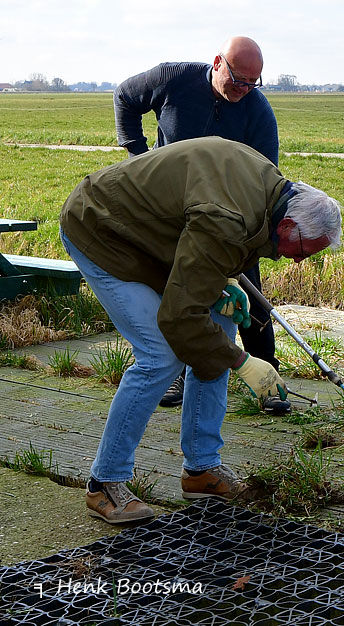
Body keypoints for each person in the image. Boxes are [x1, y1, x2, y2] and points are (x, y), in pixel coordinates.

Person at [59, 136, 342, 524]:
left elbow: (206, 230)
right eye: (304, 250)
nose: (297, 261)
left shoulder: (273, 190)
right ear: (289, 223)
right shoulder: (228, 218)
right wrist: (244, 363)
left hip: (154, 236)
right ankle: (104, 482)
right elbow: (179, 318)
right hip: (103, 231)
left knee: (220, 327)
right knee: (161, 356)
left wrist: (227, 278)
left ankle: (201, 470)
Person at [113, 36, 287, 413]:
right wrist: (137, 156)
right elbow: (125, 97)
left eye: (252, 84)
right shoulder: (173, 80)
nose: (243, 90)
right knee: (174, 290)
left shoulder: (257, 112)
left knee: (249, 290)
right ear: (217, 62)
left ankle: (268, 374)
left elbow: (265, 179)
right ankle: (176, 369)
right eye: (237, 80)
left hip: (227, 215)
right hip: (171, 209)